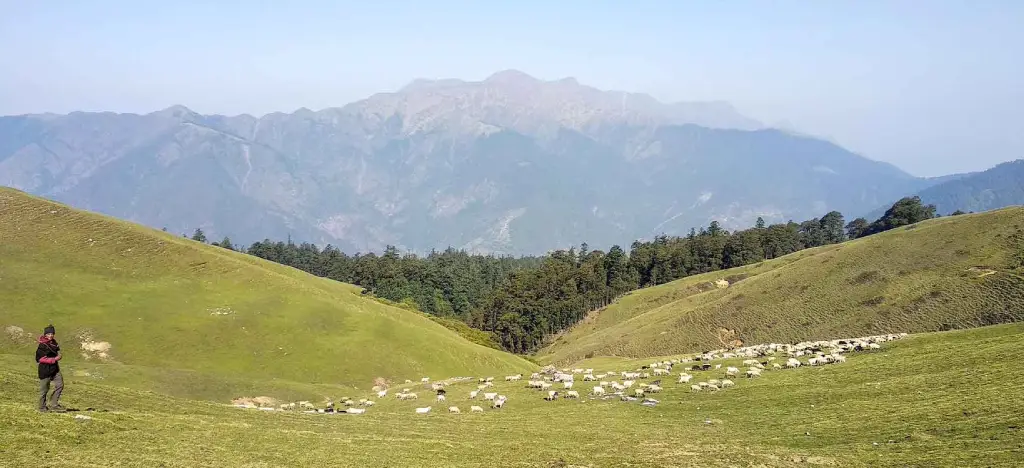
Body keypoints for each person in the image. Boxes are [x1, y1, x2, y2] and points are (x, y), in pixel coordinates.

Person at [36, 324, 64, 412]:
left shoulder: (54, 343)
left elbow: (58, 351)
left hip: (55, 369)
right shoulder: (42, 346)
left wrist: (59, 355)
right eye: (48, 334)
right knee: (44, 389)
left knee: (60, 385)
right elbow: (40, 359)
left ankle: (54, 404)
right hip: (45, 369)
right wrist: (54, 359)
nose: (50, 335)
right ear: (45, 335)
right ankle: (42, 407)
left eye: (52, 333)